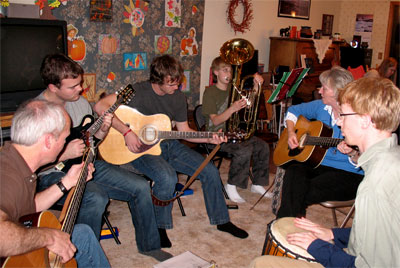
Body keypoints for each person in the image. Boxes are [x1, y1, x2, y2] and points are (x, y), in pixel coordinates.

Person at [94, 54, 249, 247]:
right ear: (157, 80)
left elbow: (184, 132)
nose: (176, 88)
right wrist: (126, 132)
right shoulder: (135, 90)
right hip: (138, 149)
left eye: (177, 83)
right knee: (167, 177)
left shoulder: (177, 97)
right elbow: (100, 105)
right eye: (171, 84)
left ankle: (222, 220)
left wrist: (209, 137)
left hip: (166, 144)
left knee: (208, 169)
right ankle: (159, 227)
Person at [250, 76, 400, 268]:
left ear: (365, 120)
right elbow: (375, 233)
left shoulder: (374, 187)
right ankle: (287, 220)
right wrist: (333, 234)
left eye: (344, 116)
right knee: (296, 173)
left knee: (259, 264)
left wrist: (316, 247)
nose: (338, 124)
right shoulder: (391, 160)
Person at [36, 53, 171, 261]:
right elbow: (33, 163)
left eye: (79, 84)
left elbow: (91, 140)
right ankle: (85, 255)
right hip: (52, 174)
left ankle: (150, 246)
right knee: (95, 196)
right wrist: (64, 153)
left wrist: (103, 129)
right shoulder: (36, 112)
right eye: (73, 87)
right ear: (53, 88)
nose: (80, 90)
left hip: (86, 164)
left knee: (141, 186)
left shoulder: (79, 103)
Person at [0, 99, 110, 267]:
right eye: (65, 138)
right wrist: (49, 237)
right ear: (48, 141)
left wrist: (66, 182)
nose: (65, 144)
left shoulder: (21, 163)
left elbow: (29, 207)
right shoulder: (7, 176)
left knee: (83, 235)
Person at [276, 66, 364, 219]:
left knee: (298, 191)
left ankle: (284, 225)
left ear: (338, 92)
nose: (319, 90)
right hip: (319, 164)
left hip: (349, 174)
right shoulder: (322, 106)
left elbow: (367, 154)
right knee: (294, 171)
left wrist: (352, 152)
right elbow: (293, 111)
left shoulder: (358, 116)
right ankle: (288, 225)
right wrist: (291, 133)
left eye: (324, 88)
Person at [201, 56, 270, 203]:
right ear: (215, 72)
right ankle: (231, 185)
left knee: (262, 146)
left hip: (234, 134)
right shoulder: (210, 92)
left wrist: (257, 86)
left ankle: (257, 184)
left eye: (230, 71)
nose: (229, 74)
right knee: (244, 149)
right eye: (224, 70)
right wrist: (232, 109)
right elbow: (215, 120)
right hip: (215, 136)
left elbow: (250, 104)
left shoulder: (234, 90)